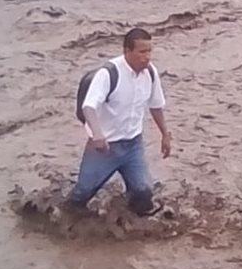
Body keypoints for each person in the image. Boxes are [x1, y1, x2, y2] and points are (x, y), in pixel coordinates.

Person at [65, 28, 172, 217]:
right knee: (81, 194)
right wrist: (97, 135)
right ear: (127, 51)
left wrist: (165, 134)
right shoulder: (108, 74)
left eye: (149, 51)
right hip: (105, 148)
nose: (147, 57)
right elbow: (88, 107)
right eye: (142, 52)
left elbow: (156, 106)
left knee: (144, 193)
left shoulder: (151, 73)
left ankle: (129, 224)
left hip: (133, 146)